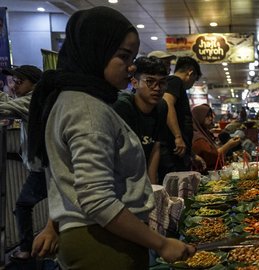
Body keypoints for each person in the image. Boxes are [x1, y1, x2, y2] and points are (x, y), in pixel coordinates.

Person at [26, 7, 195, 269]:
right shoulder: (87, 111)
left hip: (103, 236)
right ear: (96, 51)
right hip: (104, 243)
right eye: (123, 56)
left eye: (132, 57)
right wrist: (161, 244)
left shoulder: (78, 100)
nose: (131, 67)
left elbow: (69, 180)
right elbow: (97, 199)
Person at [0, 65, 46, 262]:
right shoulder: (35, 99)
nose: (15, 86)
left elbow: (4, 109)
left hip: (44, 169)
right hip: (44, 168)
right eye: (14, 82)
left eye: (20, 82)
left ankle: (27, 250)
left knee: (22, 206)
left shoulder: (32, 101)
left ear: (34, 84)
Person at [113, 56, 169, 184]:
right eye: (150, 81)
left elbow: (155, 147)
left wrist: (153, 187)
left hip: (143, 175)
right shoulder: (122, 106)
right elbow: (121, 155)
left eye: (162, 82)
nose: (157, 88)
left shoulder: (162, 106)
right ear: (134, 82)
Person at [159, 56, 204, 180]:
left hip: (177, 151)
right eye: (194, 79)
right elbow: (167, 103)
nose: (192, 84)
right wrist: (178, 137)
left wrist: (192, 154)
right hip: (172, 151)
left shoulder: (174, 83)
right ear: (190, 73)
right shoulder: (175, 81)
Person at [191, 104, 241, 171]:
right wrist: (229, 145)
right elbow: (213, 157)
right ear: (199, 117)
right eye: (207, 116)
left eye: (211, 115)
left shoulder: (205, 133)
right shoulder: (198, 138)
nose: (211, 118)